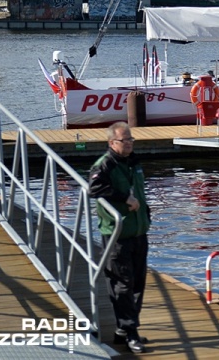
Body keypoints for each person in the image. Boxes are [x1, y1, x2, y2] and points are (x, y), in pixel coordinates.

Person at [89, 121, 150, 354]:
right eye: (125, 140)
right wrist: (125, 198)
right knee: (122, 284)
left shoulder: (133, 162)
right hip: (117, 234)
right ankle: (131, 332)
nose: (130, 143)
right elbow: (93, 188)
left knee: (137, 284)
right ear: (112, 143)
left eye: (131, 139)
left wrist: (146, 212)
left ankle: (123, 331)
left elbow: (141, 191)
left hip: (139, 231)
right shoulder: (105, 165)